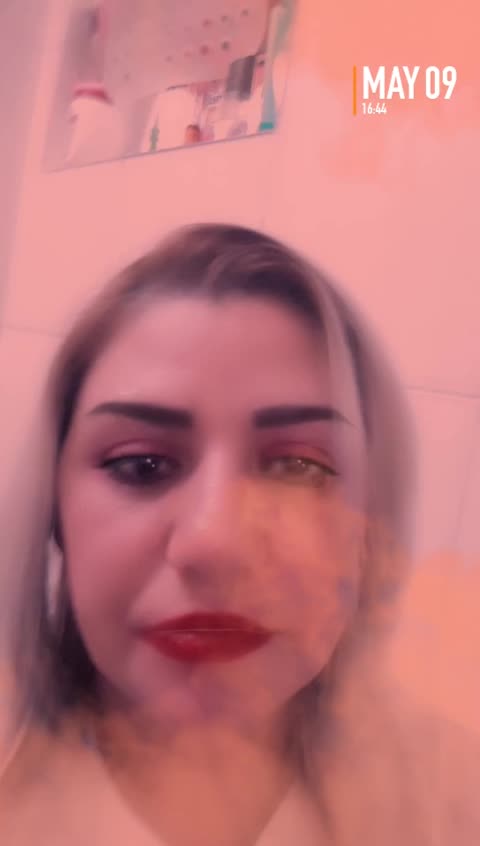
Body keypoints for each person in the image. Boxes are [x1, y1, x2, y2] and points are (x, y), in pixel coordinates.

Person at [0, 224, 478, 844]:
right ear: (54, 511)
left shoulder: (455, 799)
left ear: (367, 527)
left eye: (297, 468)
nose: (216, 541)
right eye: (142, 465)